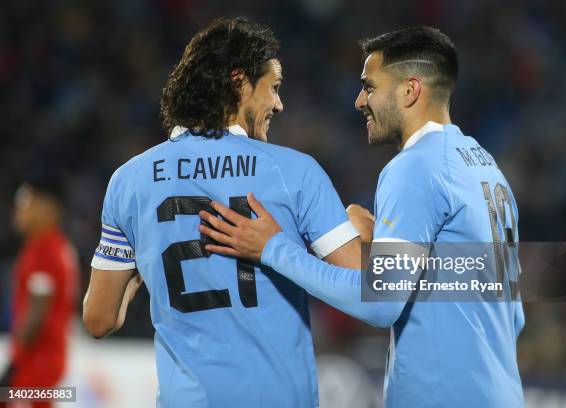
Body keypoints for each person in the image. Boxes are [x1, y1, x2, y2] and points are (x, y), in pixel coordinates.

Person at [198, 26, 525, 407]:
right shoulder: (486, 168)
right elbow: (504, 304)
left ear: (410, 90)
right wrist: (382, 254)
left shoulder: (415, 167)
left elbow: (380, 305)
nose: (358, 101)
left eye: (369, 87)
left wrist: (275, 249)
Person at [82, 17, 360, 408]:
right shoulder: (293, 171)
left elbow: (98, 321)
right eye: (274, 87)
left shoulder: (129, 181)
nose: (279, 104)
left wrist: (137, 273)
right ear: (239, 82)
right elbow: (369, 287)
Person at [4, 175, 79, 408]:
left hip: (36, 362)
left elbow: (37, 312)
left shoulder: (43, 250)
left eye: (26, 201)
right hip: (48, 360)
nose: (19, 210)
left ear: (47, 208)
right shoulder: (58, 247)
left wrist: (14, 364)